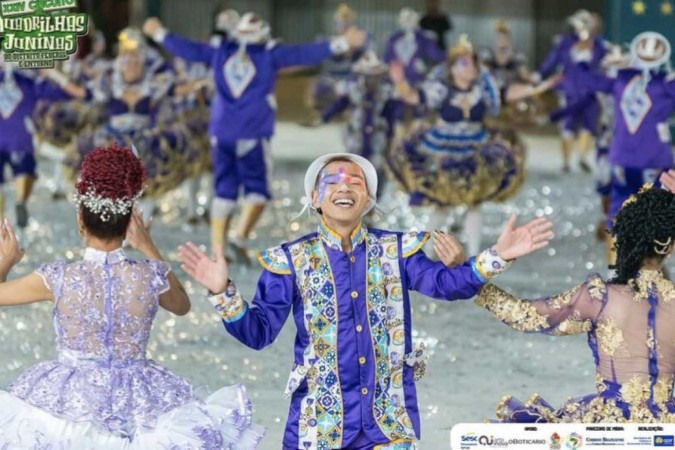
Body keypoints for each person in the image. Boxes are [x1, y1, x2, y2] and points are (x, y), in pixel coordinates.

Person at [178, 152, 554, 448]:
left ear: (369, 199)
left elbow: (448, 284)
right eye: (333, 181)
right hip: (318, 425)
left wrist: (497, 255)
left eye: (355, 181)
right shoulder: (290, 260)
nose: (345, 186)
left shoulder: (397, 250)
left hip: (387, 422)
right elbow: (257, 333)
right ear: (315, 198)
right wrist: (221, 291)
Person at [0, 144, 264, 447]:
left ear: (80, 223)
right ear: (128, 225)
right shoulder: (150, 275)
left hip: (69, 399)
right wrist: (149, 247)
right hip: (141, 399)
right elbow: (182, 305)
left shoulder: (58, 278)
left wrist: (5, 261)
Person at [143, 13, 367, 264]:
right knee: (257, 191)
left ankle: (218, 249)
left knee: (224, 191)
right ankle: (239, 238)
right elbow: (302, 54)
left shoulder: (220, 51)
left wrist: (159, 33)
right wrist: (342, 43)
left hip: (223, 132)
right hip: (253, 134)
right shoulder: (268, 53)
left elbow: (190, 49)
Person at [470, 184, 675, 422]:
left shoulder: (600, 297)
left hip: (608, 426)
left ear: (623, 239)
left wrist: (473, 278)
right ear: (669, 247)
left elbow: (523, 315)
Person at [387, 34, 554, 256]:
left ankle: (475, 253)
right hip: (442, 149)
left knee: (474, 203)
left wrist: (535, 88)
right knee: (441, 204)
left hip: (474, 148)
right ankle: (426, 252)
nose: (469, 68)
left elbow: (506, 94)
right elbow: (413, 96)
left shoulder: (483, 89)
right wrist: (399, 81)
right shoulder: (441, 89)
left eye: (472, 63)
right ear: (453, 68)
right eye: (463, 64)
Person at [0, 49, 85, 228]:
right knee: (25, 170)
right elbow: (69, 93)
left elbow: (71, 93)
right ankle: (21, 200)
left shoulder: (29, 80)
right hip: (22, 137)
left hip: (17, 136)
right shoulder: (30, 81)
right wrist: (53, 74)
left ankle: (6, 217)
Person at [535, 9, 608, 173]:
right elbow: (552, 60)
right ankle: (566, 161)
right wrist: (539, 74)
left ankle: (582, 157)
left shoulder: (599, 45)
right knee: (568, 125)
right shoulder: (565, 43)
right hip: (570, 91)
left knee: (588, 125)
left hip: (591, 92)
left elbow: (606, 65)